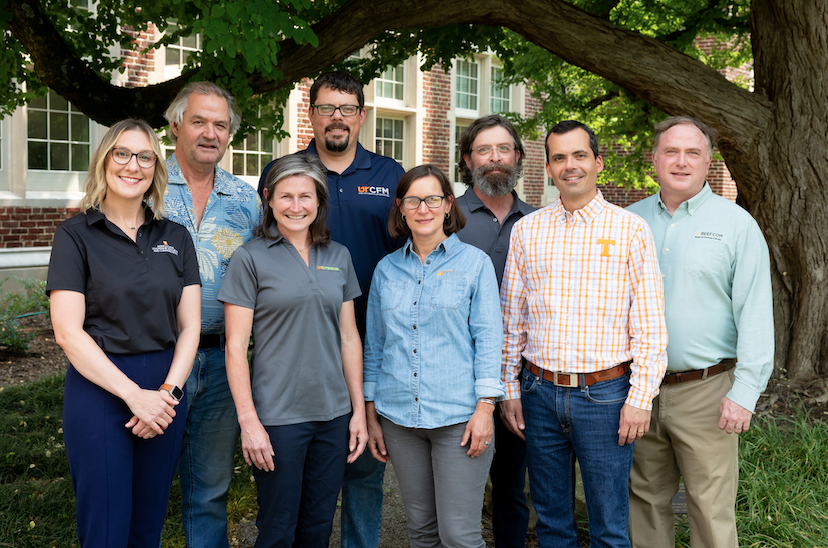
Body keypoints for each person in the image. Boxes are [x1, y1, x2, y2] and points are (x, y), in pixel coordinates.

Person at [499, 120, 668, 547]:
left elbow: (648, 325)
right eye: (559, 157)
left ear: (598, 163)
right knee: (553, 525)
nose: (570, 165)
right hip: (538, 394)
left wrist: (640, 399)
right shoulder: (528, 230)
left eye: (579, 155)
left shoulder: (630, 230)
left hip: (607, 397)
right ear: (549, 168)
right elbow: (511, 320)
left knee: (609, 528)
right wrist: (510, 390)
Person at [258, 71, 404, 548]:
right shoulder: (286, 171)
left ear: (362, 116)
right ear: (312, 114)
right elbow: (263, 254)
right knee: (299, 482)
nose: (336, 117)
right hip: (298, 351)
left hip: (370, 343)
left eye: (346, 108)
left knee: (363, 469)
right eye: (326, 108)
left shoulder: (389, 175)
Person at [47, 119, 201, 547]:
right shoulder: (75, 235)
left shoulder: (176, 236)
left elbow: (189, 327)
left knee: (146, 527)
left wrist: (167, 394)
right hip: (100, 389)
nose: (133, 165)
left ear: (156, 168)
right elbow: (67, 332)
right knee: (106, 530)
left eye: (145, 156)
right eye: (122, 153)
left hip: (166, 393)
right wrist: (135, 396)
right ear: (105, 161)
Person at [627, 116, 773, 548]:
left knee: (710, 508)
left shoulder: (736, 224)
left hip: (707, 391)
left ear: (709, 161)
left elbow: (756, 312)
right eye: (671, 151)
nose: (681, 161)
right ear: (654, 159)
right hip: (639, 391)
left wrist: (744, 391)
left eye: (693, 152)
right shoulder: (627, 223)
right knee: (645, 502)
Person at [220, 153, 367, 548]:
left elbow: (349, 338)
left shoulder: (339, 256)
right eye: (286, 196)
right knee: (277, 528)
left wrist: (357, 413)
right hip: (278, 418)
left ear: (319, 201)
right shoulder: (249, 258)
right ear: (269, 199)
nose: (296, 206)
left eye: (306, 196)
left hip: (333, 415)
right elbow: (235, 348)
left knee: (318, 527)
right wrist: (249, 422)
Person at [363, 164, 504, 548]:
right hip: (399, 419)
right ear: (401, 207)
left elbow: (490, 339)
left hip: (459, 420)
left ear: (447, 205)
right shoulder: (386, 270)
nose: (423, 208)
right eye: (413, 200)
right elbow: (374, 346)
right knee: (422, 533)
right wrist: (372, 413)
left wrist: (486, 407)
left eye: (432, 198)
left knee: (459, 535)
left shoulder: (474, 264)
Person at [162, 81, 262, 548]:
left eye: (220, 125)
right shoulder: (146, 184)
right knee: (145, 487)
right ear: (176, 124)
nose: (209, 133)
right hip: (153, 358)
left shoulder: (246, 201)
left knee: (210, 491)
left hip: (224, 362)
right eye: (199, 121)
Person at [456, 115, 536, 548]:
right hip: (457, 372)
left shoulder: (540, 222)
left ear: (517, 157)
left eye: (503, 149)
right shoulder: (446, 218)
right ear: (468, 160)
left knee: (512, 486)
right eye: (484, 150)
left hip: (523, 376)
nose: (495, 158)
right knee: (456, 488)